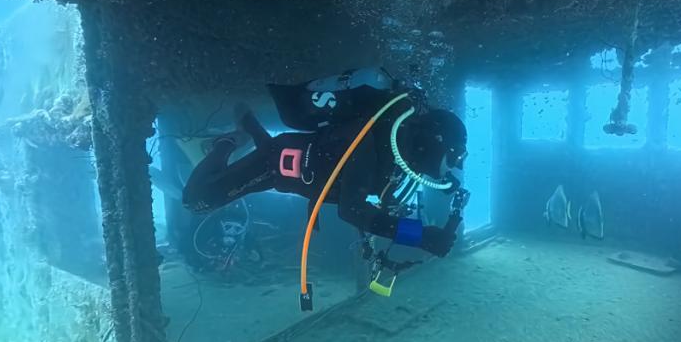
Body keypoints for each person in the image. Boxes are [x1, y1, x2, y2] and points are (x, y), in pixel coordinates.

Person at [181, 68, 467, 258]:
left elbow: (379, 201)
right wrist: (420, 236)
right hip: (276, 165)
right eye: (454, 157)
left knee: (267, 148)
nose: (452, 166)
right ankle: (226, 142)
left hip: (294, 171)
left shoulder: (398, 156)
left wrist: (434, 219)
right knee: (196, 202)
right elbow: (352, 210)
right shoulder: (369, 143)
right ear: (435, 143)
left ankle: (248, 124)